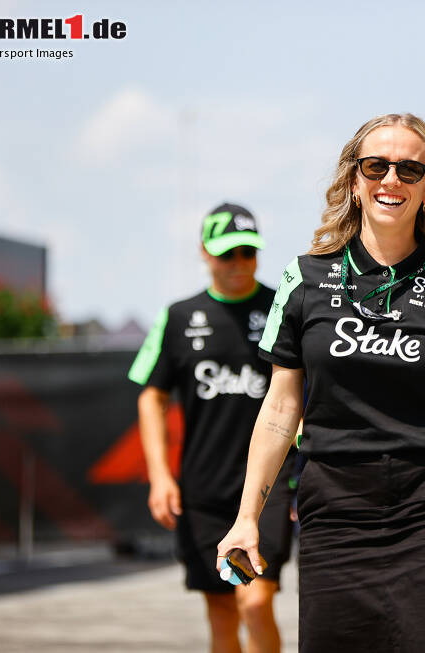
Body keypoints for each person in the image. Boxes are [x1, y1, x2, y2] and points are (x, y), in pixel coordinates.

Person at [216, 113, 425, 653]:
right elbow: (281, 409)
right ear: (354, 180)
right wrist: (246, 518)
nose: (391, 180)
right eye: (376, 166)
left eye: (409, 169)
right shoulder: (302, 279)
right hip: (336, 508)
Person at [128, 203, 296, 653]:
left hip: (267, 488)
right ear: (205, 251)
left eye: (248, 253)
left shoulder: (282, 307)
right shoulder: (178, 317)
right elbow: (151, 396)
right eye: (228, 254)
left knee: (255, 600)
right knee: (221, 611)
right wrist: (160, 475)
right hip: (202, 490)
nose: (239, 263)